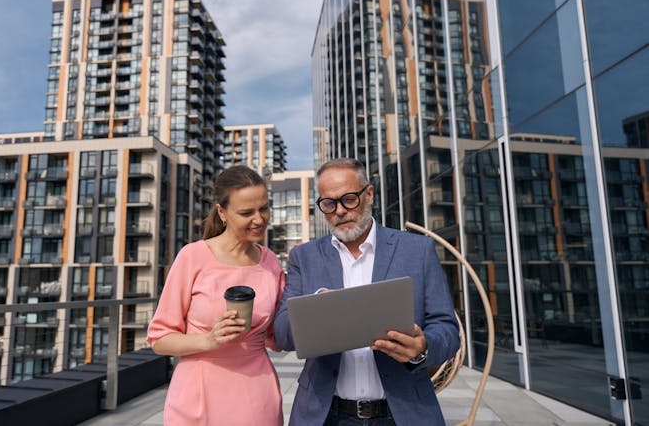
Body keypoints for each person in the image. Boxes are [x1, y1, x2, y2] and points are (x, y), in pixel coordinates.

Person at [273, 158, 459, 425]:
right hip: (327, 415)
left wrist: (422, 347)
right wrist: (314, 310)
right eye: (328, 203)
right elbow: (282, 334)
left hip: (402, 413)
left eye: (349, 199)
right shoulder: (304, 257)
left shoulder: (418, 251)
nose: (339, 211)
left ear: (369, 194)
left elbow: (447, 329)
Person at [147, 165, 285, 425]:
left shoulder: (271, 263)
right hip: (198, 394)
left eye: (264, 208)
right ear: (222, 212)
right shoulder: (193, 256)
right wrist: (208, 341)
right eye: (247, 212)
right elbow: (159, 339)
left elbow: (276, 338)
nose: (259, 219)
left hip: (258, 395)